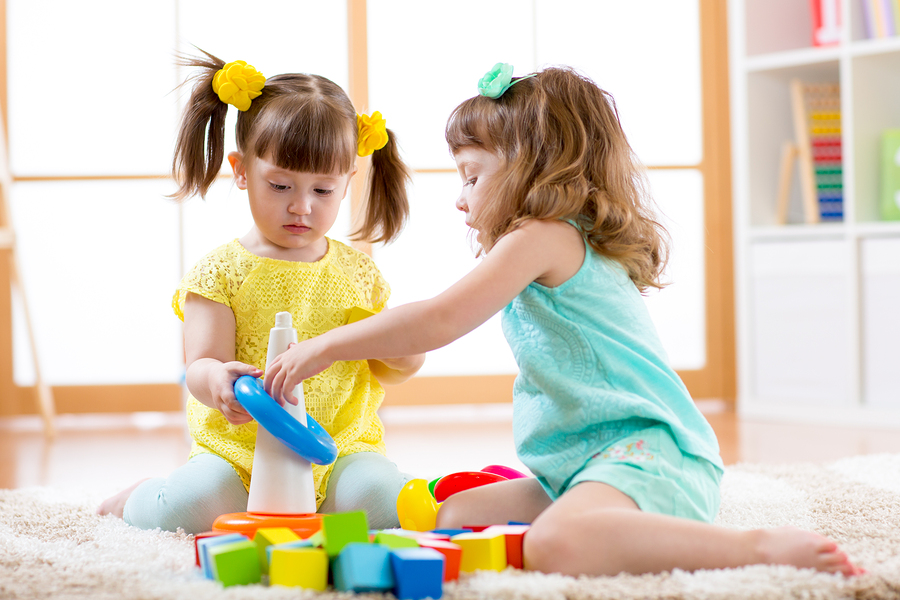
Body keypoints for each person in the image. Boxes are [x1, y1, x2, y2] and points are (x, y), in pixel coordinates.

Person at [263, 64, 863, 577]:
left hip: (649, 456)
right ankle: (605, 524)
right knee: (455, 518)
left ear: (532, 167)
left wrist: (327, 346)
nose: (460, 197)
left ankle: (753, 548)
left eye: (472, 176)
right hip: (583, 467)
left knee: (555, 545)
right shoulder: (548, 240)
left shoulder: (544, 235)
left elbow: (441, 319)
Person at [97, 51, 424, 534]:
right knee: (190, 508)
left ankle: (330, 507)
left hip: (337, 451)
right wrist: (218, 381)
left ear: (347, 183)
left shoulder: (359, 274)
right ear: (241, 170)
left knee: (384, 503)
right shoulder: (221, 273)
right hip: (240, 457)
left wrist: (403, 354)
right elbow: (200, 365)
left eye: (322, 191)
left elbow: (394, 365)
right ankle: (139, 498)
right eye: (280, 185)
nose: (301, 207)